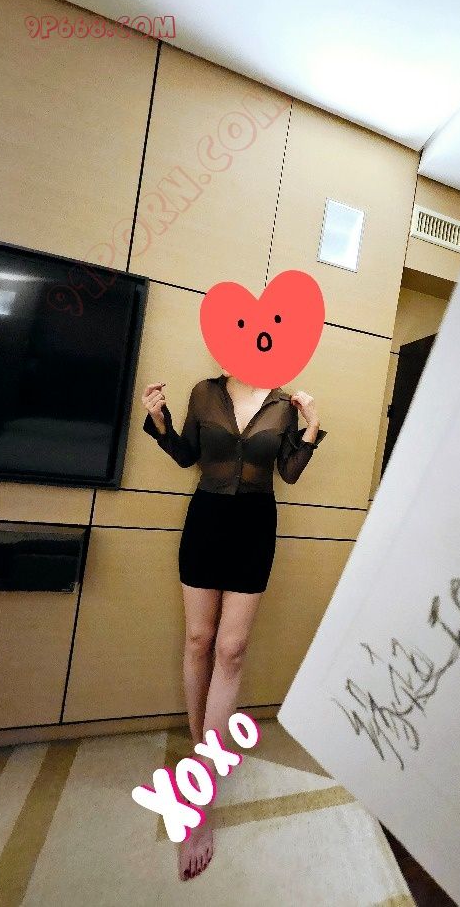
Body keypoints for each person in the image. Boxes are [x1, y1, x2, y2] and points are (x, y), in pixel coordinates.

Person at [141, 369, 326, 882]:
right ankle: (203, 751)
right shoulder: (205, 392)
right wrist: (159, 420)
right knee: (198, 640)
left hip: (255, 527)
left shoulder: (284, 404)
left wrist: (311, 426)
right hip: (206, 520)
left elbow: (289, 472)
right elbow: (186, 456)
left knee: (232, 649)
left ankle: (200, 792)